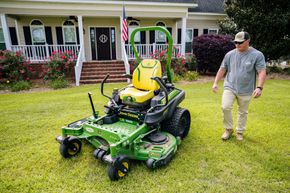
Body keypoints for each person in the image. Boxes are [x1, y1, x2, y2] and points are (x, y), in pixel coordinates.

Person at [212, 31, 266, 141]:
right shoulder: (229, 54)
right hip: (230, 86)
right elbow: (222, 68)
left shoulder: (257, 55)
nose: (237, 45)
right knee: (225, 107)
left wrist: (259, 87)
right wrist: (215, 83)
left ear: (248, 41)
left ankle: (240, 131)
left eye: (240, 42)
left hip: (246, 89)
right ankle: (228, 129)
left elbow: (261, 71)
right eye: (236, 42)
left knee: (243, 111)